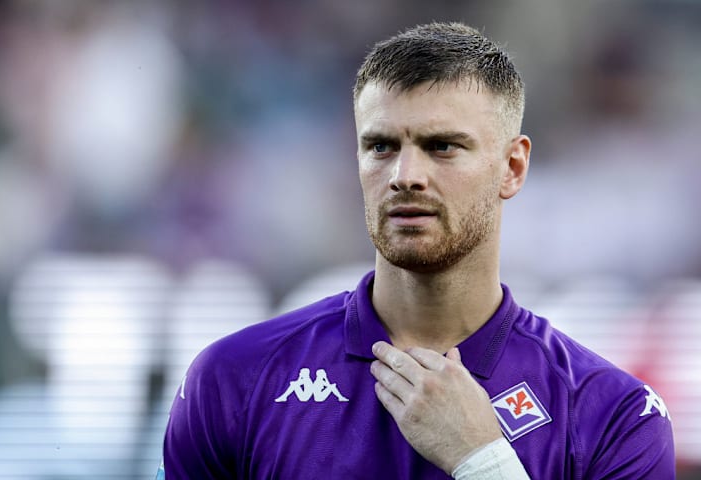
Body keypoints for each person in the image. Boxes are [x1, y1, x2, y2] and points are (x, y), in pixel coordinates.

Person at [158, 22, 675, 479]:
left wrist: (483, 461)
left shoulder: (614, 416)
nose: (405, 177)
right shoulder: (232, 379)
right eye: (381, 146)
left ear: (512, 168)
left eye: (442, 146)